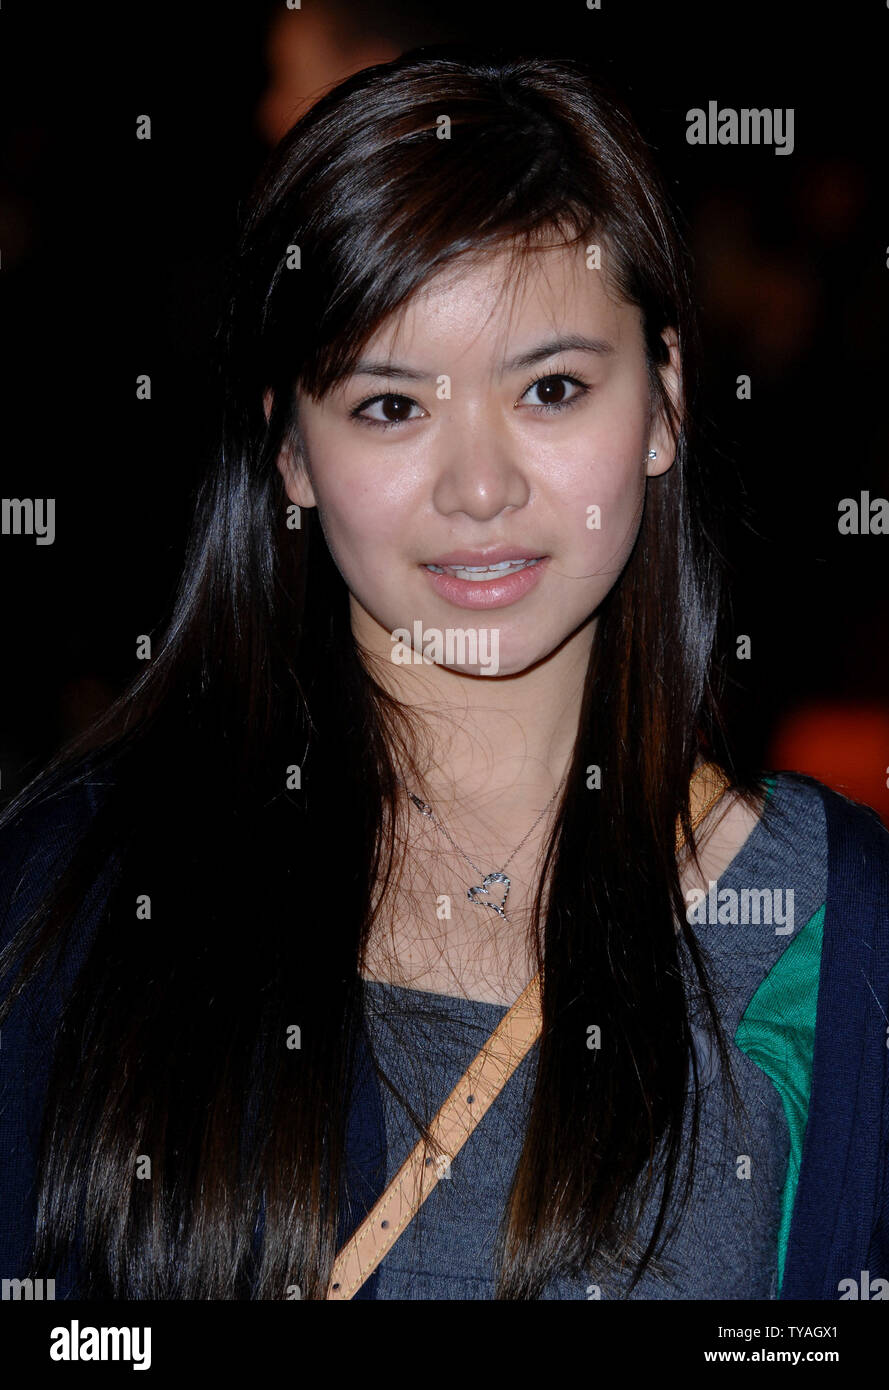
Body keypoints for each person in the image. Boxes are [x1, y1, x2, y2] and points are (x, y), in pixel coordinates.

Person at [0, 46, 886, 1303]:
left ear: (665, 402)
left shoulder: (832, 932)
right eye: (391, 406)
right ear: (291, 454)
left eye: (552, 387)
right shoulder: (75, 895)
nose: (480, 487)